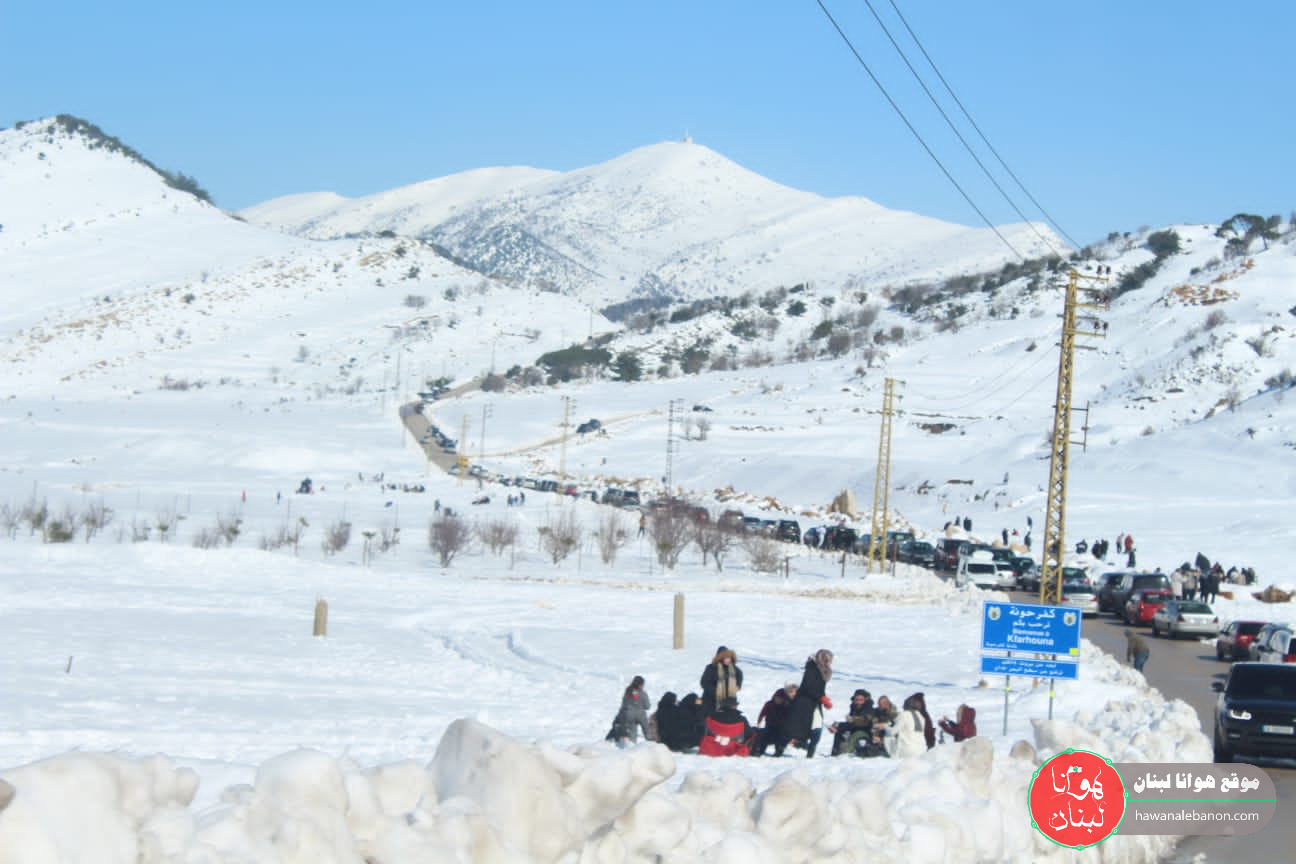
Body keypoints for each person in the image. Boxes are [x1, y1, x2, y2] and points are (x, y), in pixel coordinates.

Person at [783, 649, 833, 757]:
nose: (828, 662)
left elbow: (819, 688)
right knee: (799, 729)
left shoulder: (824, 671)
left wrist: (824, 699)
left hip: (815, 703)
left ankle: (810, 754)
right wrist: (821, 697)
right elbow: (808, 687)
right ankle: (782, 748)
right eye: (826, 660)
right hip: (804, 704)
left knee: (817, 728)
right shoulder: (811, 668)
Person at [752, 682, 797, 756]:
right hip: (769, 724)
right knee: (765, 738)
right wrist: (759, 721)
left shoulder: (786, 706)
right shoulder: (769, 704)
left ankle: (778, 751)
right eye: (777, 698)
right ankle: (760, 750)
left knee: (779, 739)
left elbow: (790, 716)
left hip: (780, 727)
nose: (778, 700)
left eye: (780, 698)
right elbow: (762, 713)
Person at [829, 689, 875, 756]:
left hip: (864, 732)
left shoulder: (869, 709)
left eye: (861, 700)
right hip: (853, 730)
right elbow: (850, 724)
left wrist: (853, 719)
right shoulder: (854, 708)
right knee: (838, 731)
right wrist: (837, 726)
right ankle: (835, 754)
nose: (858, 702)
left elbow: (865, 722)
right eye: (857, 700)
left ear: (865, 700)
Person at [700, 646, 743, 717]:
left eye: (729, 657)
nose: (728, 659)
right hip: (711, 702)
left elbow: (739, 677)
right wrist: (718, 691)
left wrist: (738, 686)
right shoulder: (711, 668)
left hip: (729, 703)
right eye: (725, 657)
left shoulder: (735, 669)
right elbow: (704, 683)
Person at [612, 675, 652, 744]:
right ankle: (651, 744)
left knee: (632, 732)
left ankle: (632, 745)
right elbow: (647, 706)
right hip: (641, 715)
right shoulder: (643, 693)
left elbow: (624, 704)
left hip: (629, 715)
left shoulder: (628, 692)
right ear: (641, 685)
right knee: (647, 732)